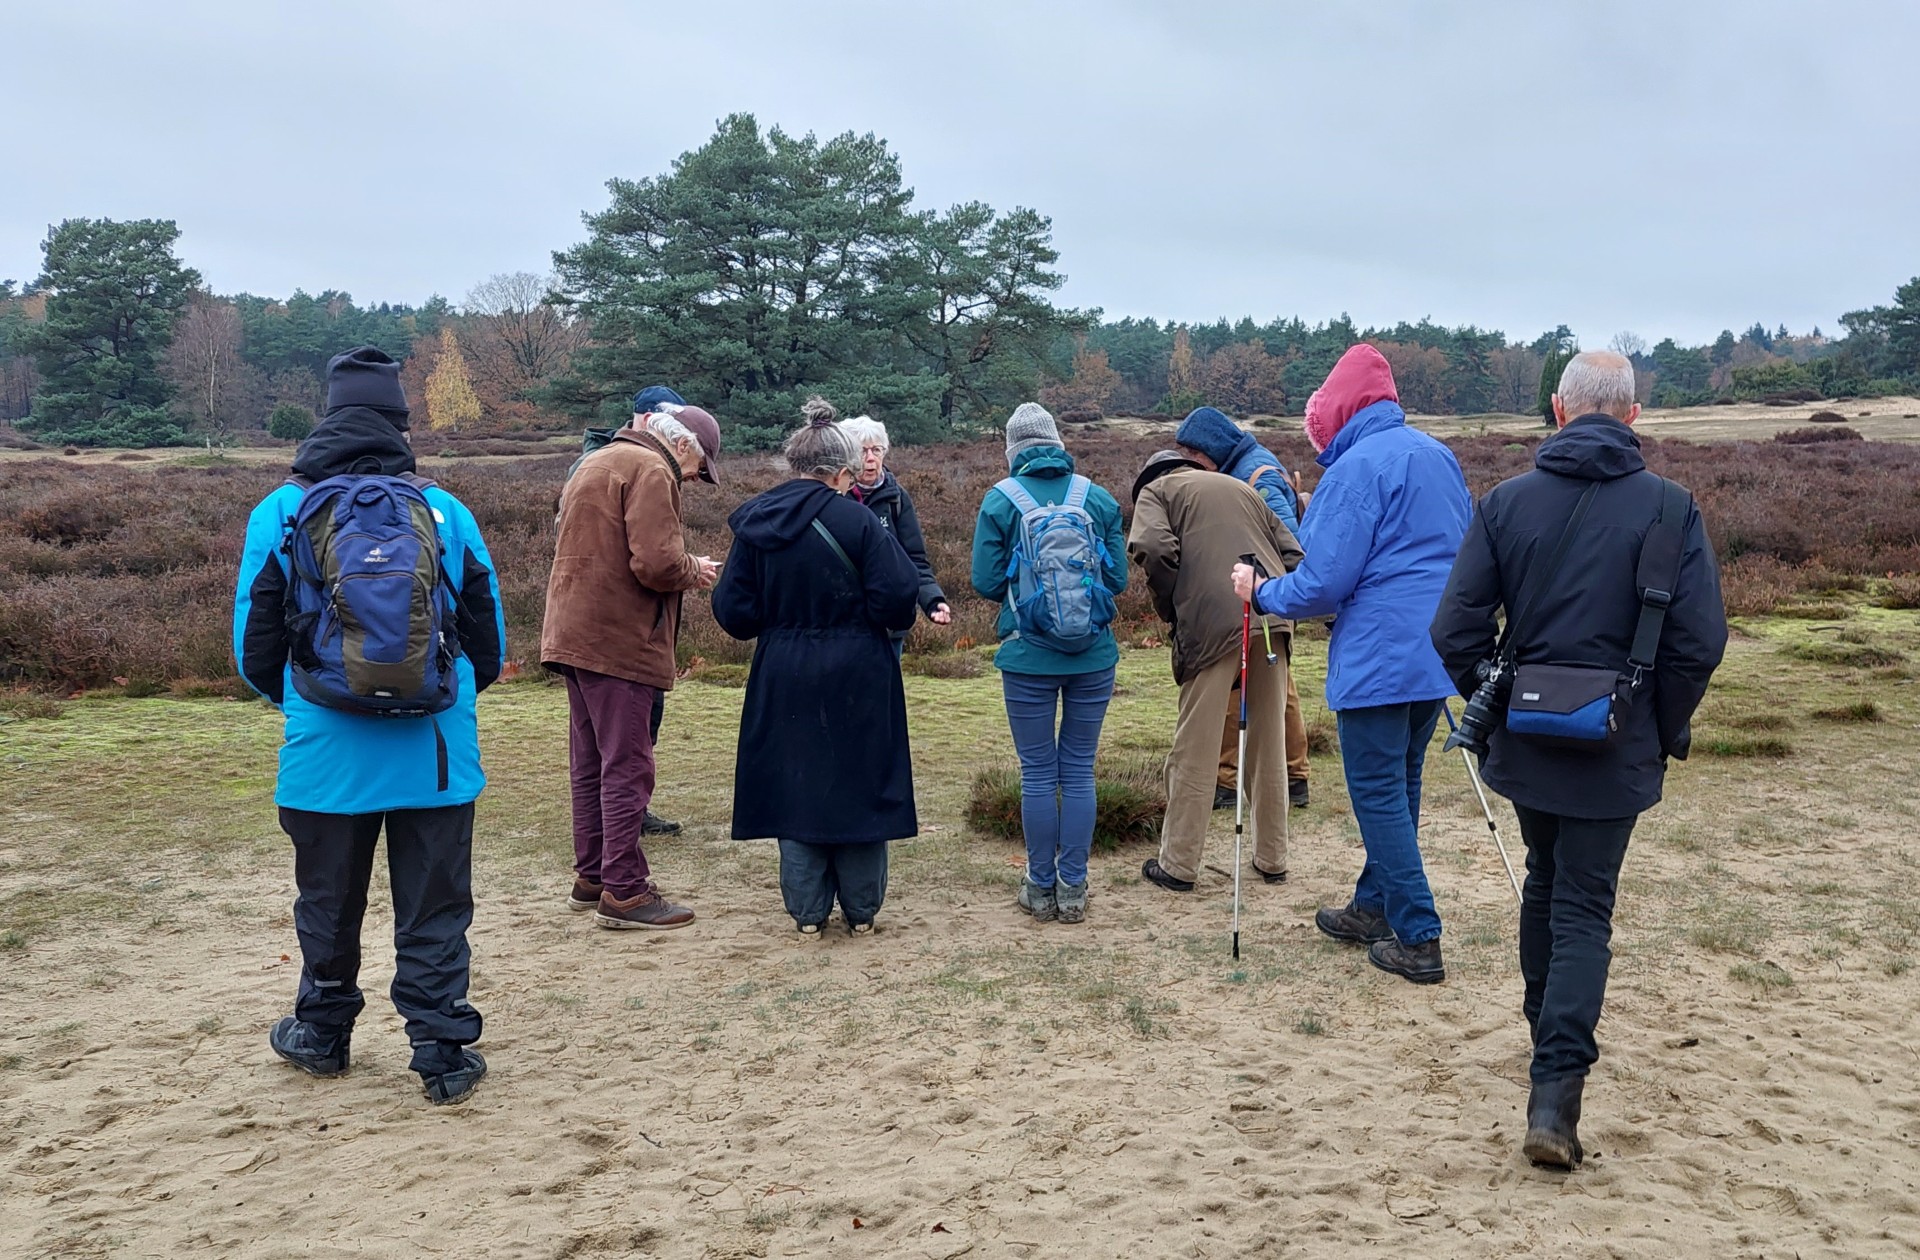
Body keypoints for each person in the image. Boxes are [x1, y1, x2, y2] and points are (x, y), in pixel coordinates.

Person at [1430, 351, 1727, 1169]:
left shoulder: (1506, 504)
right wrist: (1658, 727)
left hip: (1525, 740)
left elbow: (1453, 631)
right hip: (1619, 746)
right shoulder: (1673, 510)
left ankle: (1546, 1045)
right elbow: (1700, 642)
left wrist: (1496, 696)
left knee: (1547, 881)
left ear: (1558, 410)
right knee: (1582, 906)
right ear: (1632, 416)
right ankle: (1554, 1094)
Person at [234, 346, 504, 1105]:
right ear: (399, 424)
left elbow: (252, 652)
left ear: (328, 416)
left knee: (327, 900)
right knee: (436, 904)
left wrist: (308, 702)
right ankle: (442, 1050)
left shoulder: (281, 512)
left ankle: (322, 1034)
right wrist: (445, 702)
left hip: (325, 752)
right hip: (436, 753)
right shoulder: (445, 510)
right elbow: (489, 646)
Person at [1232, 344, 1470, 985]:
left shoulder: (1355, 470)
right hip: (1437, 655)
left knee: (1378, 796)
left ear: (1338, 410)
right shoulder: (1438, 456)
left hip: (1379, 659)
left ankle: (1419, 935)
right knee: (1402, 785)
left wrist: (1260, 592)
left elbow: (1322, 584)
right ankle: (1375, 907)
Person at [711, 399, 921, 934]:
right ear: (843, 471)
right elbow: (899, 598)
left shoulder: (757, 523)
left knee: (794, 782)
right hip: (860, 669)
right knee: (862, 781)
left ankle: (806, 916)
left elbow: (734, 613)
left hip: (783, 669)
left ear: (793, 463)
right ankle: (863, 914)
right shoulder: (862, 522)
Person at [541, 401, 723, 930]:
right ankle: (624, 889)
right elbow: (657, 563)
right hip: (619, 639)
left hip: (573, 632)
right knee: (628, 764)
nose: (693, 477)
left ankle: (593, 876)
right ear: (683, 444)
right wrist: (695, 569)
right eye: (699, 468)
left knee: (591, 761)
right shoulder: (651, 469)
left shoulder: (599, 460)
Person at [970, 402, 1129, 925]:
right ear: (1058, 445)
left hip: (1026, 657)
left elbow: (986, 582)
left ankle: (1040, 888)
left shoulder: (1000, 500)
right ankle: (1075, 887)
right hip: (1094, 655)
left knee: (1038, 773)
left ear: (1014, 452)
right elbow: (1120, 582)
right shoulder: (1098, 498)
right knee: (1079, 769)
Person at [1129, 451, 1303, 893]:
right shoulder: (1242, 487)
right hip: (1272, 619)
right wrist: (1277, 599)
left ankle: (1178, 864)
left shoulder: (1157, 491)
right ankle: (1272, 858)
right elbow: (1294, 553)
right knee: (1269, 743)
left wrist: (1174, 605)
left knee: (1196, 744)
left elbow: (1151, 548)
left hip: (1212, 625)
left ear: (1154, 475)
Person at [1174, 406, 1313, 812]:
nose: (1188, 466)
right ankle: (1293, 776)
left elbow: (1290, 540)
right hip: (1254, 594)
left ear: (1209, 451)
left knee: (1243, 686)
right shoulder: (1243, 467)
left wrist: (1267, 589)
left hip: (1262, 597)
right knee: (1276, 686)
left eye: (1192, 458)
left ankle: (1231, 780)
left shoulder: (1259, 476)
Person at [841, 413, 953, 655]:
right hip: (842, 626)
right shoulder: (833, 499)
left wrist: (933, 601)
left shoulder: (897, 498)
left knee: (886, 692)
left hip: (889, 624)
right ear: (847, 455)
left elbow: (915, 559)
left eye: (877, 450)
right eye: (862, 451)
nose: (870, 459)